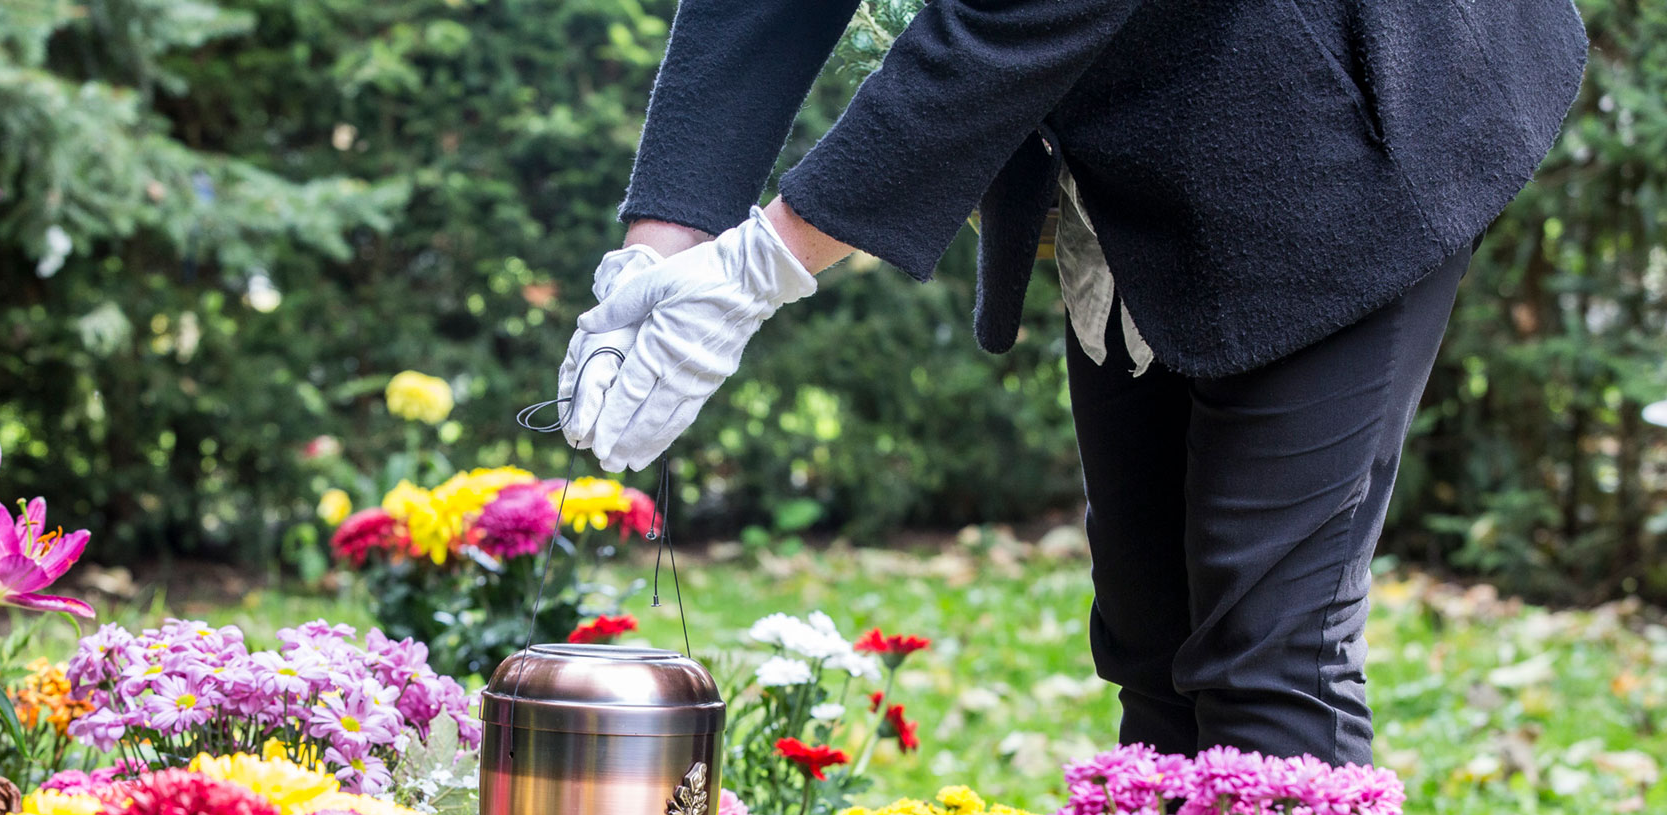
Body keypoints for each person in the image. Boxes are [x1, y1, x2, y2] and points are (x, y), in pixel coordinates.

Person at [558, 0, 1587, 767]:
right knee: (1149, 624)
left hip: (1345, 96)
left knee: (1261, 640)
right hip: (1141, 106)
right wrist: (661, 247)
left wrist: (760, 267)